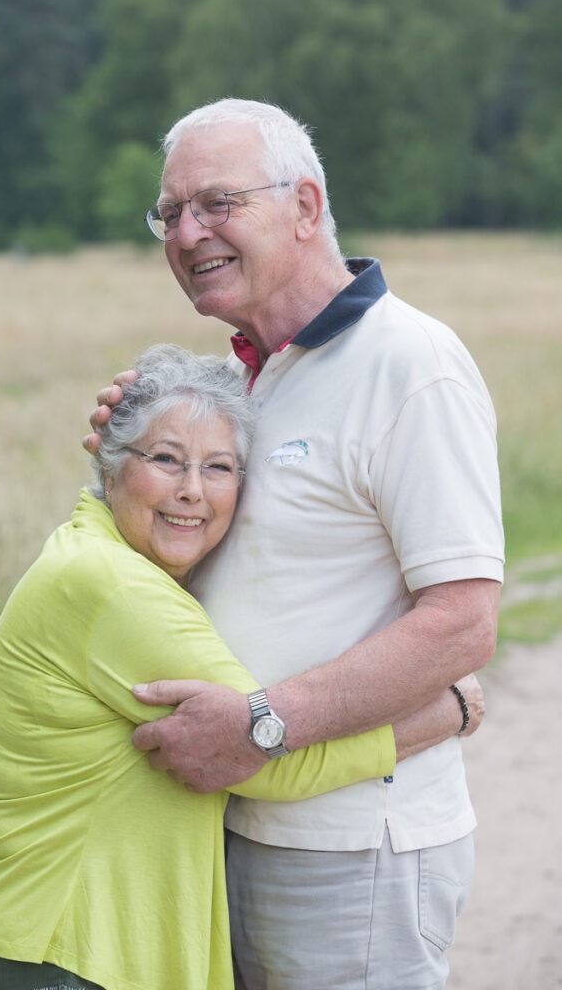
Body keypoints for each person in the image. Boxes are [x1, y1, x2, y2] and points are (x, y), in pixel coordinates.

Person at [85, 99, 504, 990]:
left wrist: (263, 727)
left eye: (217, 203)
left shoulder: (410, 363)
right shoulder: (235, 378)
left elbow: (463, 626)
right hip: (224, 827)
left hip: (351, 848)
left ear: (306, 207)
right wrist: (137, 468)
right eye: (170, 213)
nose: (187, 230)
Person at [0, 344, 475, 990]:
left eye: (217, 467)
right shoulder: (112, 588)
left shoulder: (102, 559)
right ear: (109, 467)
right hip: (54, 949)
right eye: (165, 460)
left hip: (42, 941)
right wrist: (450, 711)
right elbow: (270, 756)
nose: (191, 490)